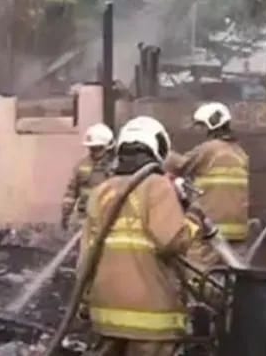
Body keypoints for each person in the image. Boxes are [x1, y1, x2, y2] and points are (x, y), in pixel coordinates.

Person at [83, 116, 216, 356]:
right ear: (157, 150)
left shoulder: (101, 192)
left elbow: (86, 258)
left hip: (105, 314)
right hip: (150, 319)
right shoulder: (157, 186)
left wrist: (86, 302)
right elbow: (172, 243)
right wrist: (193, 217)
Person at [166, 102, 249, 269]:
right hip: (238, 232)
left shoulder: (208, 149)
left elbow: (179, 165)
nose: (200, 131)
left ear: (211, 125)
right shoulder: (241, 153)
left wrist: (161, 152)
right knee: (233, 276)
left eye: (202, 126)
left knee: (197, 273)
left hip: (210, 229)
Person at [61, 123, 115, 231]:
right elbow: (71, 192)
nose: (94, 152)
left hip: (108, 217)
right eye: (92, 148)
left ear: (107, 147)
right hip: (85, 218)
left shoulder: (116, 166)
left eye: (97, 148)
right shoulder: (82, 165)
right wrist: (65, 214)